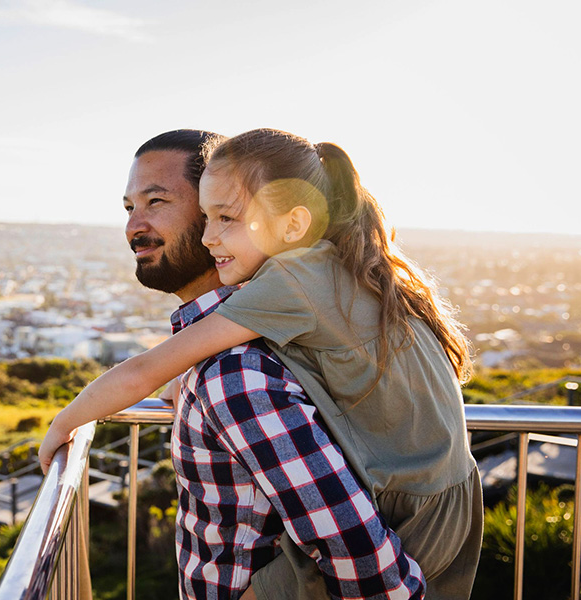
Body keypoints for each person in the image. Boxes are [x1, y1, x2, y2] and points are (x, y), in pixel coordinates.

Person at [42, 130, 425, 600]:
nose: (133, 226)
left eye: (156, 201)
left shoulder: (235, 374)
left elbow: (362, 558)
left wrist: (63, 423)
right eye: (128, 208)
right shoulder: (247, 339)